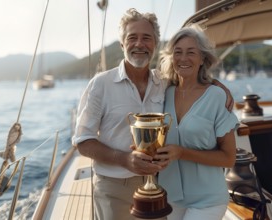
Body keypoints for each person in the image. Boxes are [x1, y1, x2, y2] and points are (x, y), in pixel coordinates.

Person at [72, 8, 234, 220]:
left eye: (146, 38)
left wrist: (216, 85)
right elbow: (82, 141)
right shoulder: (100, 84)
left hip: (160, 186)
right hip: (115, 187)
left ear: (155, 44)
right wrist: (124, 159)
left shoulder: (163, 83)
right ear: (122, 43)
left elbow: (191, 77)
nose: (139, 44)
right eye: (132, 38)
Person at [156, 25, 240, 220]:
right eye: (178, 52)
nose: (183, 58)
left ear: (203, 58)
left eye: (191, 52)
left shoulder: (217, 96)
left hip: (208, 200)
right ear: (171, 57)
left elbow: (228, 158)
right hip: (169, 197)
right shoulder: (163, 93)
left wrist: (182, 153)